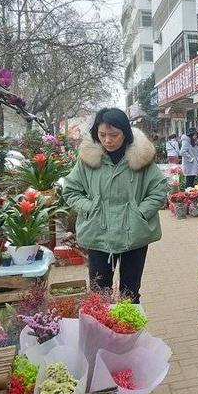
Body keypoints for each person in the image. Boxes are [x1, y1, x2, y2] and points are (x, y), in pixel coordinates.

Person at [62, 108, 167, 303]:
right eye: (102, 135)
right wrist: (90, 207)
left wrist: (140, 213)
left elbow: (159, 190)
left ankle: (128, 333)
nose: (108, 140)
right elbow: (70, 190)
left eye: (114, 135)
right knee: (100, 294)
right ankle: (102, 333)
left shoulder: (141, 158)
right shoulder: (88, 159)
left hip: (133, 234)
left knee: (130, 293)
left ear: (125, 133)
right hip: (99, 234)